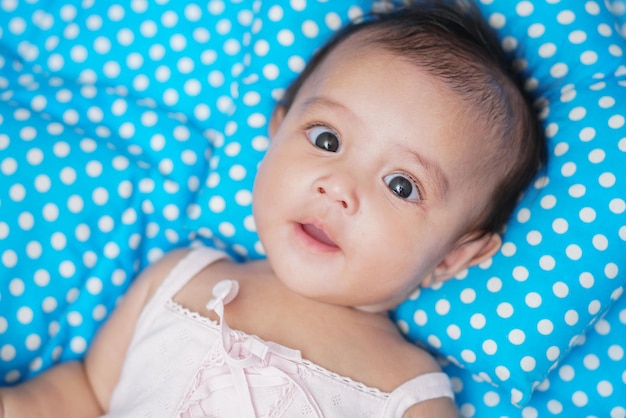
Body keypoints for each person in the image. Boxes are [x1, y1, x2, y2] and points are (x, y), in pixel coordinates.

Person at [0, 1, 545, 417]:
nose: (338, 187)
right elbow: (83, 391)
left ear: (452, 255)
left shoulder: (410, 394)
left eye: (401, 185)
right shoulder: (182, 276)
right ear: (276, 129)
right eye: (327, 140)